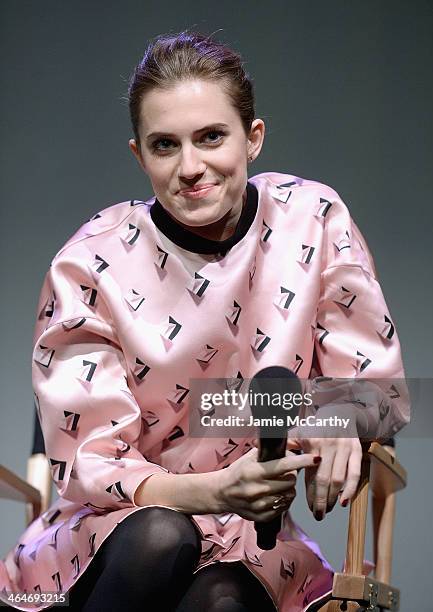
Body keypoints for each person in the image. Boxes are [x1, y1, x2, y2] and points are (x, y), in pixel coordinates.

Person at [0, 30, 409, 612]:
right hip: (116, 529)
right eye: (165, 145)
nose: (191, 167)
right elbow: (93, 462)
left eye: (212, 137)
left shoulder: (313, 221)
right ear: (139, 155)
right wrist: (211, 489)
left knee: (225, 601)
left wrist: (346, 412)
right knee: (163, 536)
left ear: (254, 138)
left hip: (254, 541)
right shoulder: (91, 262)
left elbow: (377, 386)